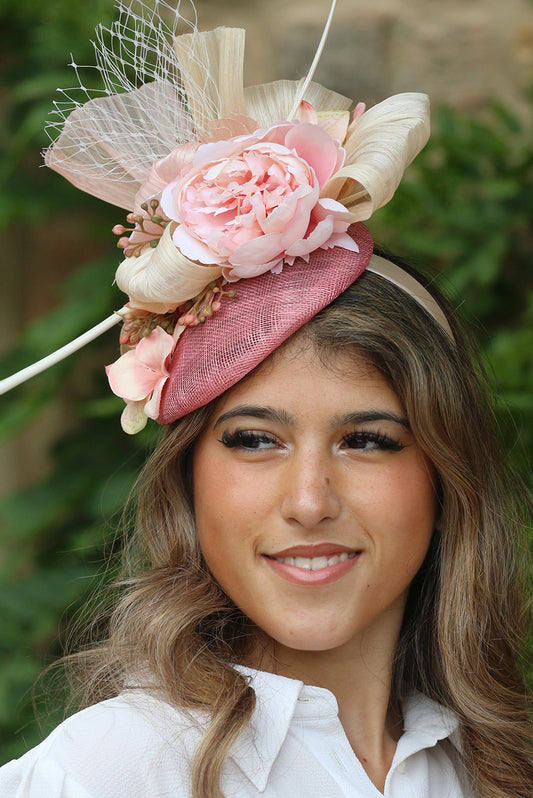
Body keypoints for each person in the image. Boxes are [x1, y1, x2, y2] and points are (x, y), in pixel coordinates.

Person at [0, 1, 531, 796]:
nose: (309, 500)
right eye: (253, 440)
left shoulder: (498, 764)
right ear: (187, 477)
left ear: (445, 474)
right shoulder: (111, 770)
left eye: (368, 440)